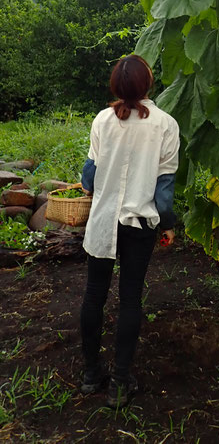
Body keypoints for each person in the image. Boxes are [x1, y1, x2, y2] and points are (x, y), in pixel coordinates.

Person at [79, 54, 180, 407]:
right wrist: (167, 227)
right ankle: (120, 383)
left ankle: (91, 374)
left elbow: (89, 176)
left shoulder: (103, 120)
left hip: (103, 221)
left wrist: (96, 185)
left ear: (116, 87)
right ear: (147, 84)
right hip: (140, 225)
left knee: (94, 295)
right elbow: (163, 191)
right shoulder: (165, 124)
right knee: (130, 299)